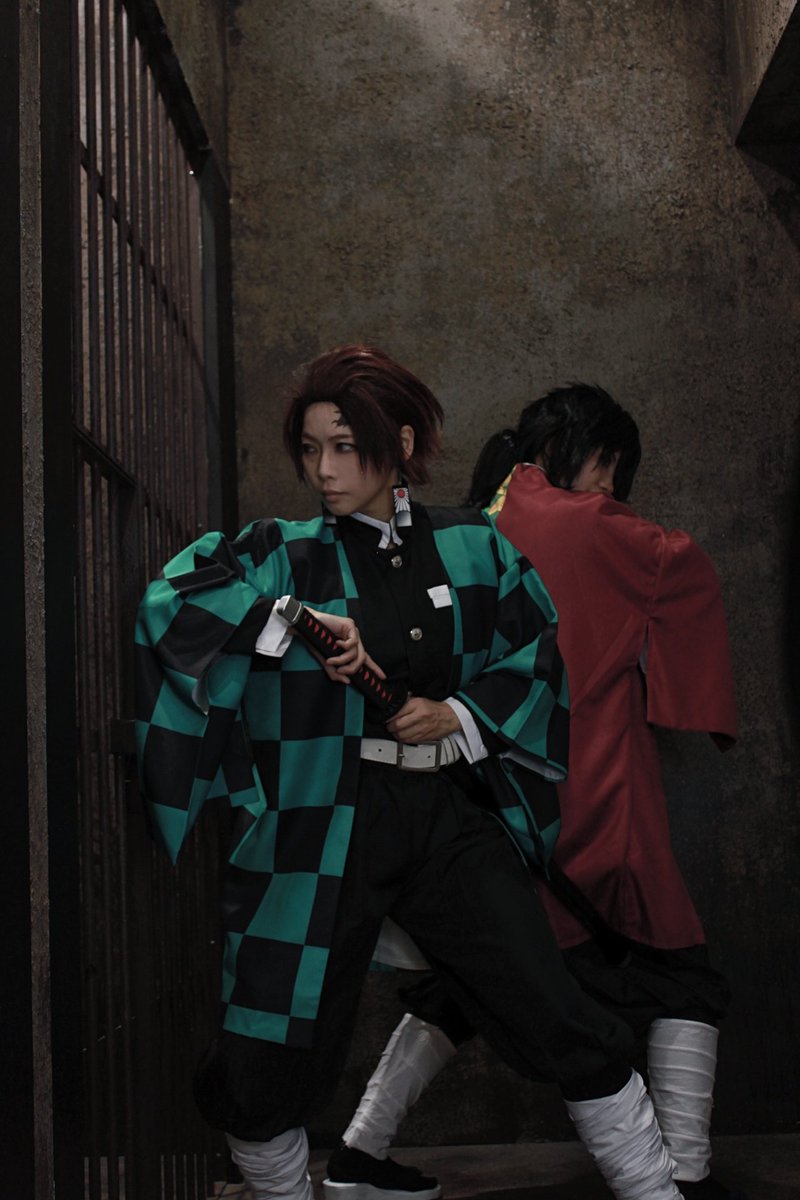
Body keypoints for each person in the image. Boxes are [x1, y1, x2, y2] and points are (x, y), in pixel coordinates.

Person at [136, 353, 688, 1200]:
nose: (323, 471)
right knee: (268, 1040)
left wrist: (456, 716)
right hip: (322, 821)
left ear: (398, 443)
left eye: (344, 446)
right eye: (310, 449)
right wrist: (290, 620)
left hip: (444, 815)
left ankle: (656, 1191)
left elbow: (535, 654)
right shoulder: (283, 553)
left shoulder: (474, 545)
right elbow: (171, 601)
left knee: (554, 1005)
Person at [326, 384, 742, 1200]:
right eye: (611, 469)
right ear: (583, 452)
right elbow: (681, 564)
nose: (613, 490)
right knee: (681, 973)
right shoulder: (592, 526)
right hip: (591, 789)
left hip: (477, 795)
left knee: (471, 980)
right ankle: (686, 1175)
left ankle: (357, 1152)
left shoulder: (469, 523)